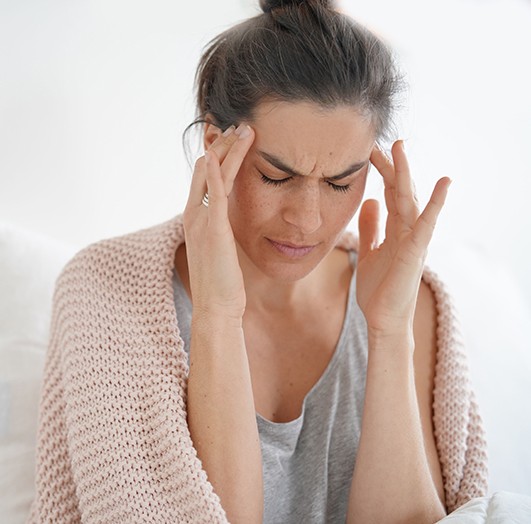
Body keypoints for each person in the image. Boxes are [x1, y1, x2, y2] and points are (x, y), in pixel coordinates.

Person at [29, 0, 488, 522]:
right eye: (276, 175)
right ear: (214, 145)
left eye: (341, 182)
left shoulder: (415, 303)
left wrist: (388, 331)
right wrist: (218, 314)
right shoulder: (103, 291)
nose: (308, 220)